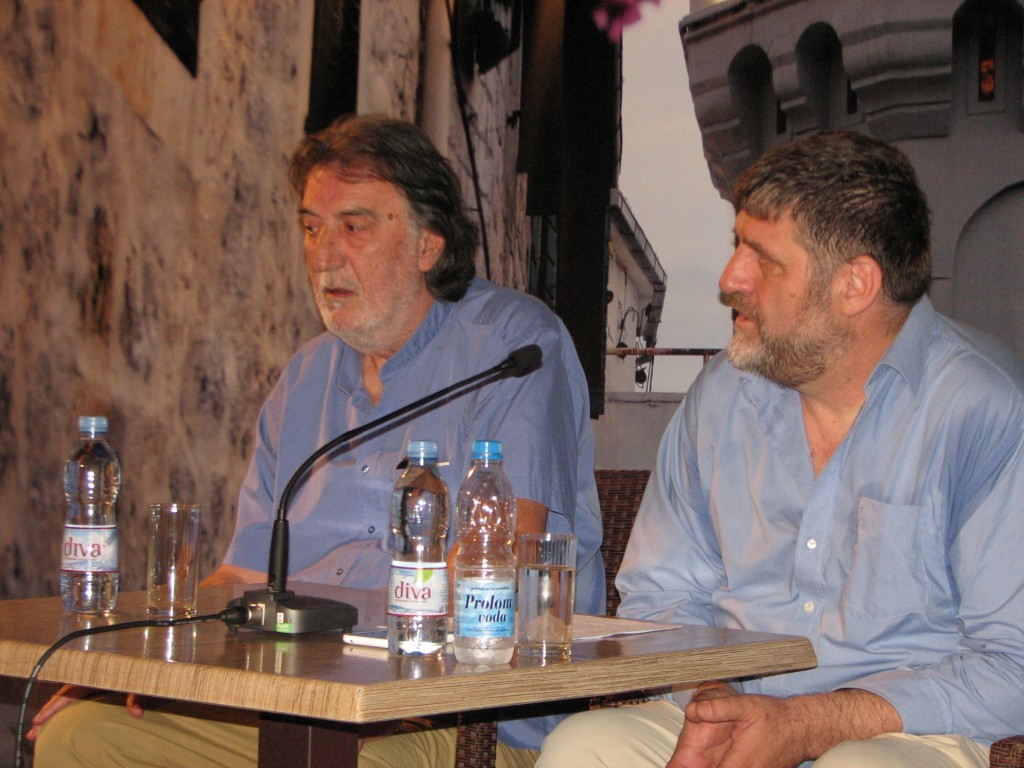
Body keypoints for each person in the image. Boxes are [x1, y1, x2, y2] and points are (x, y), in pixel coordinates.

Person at [29, 114, 604, 768]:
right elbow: (242, 576)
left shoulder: (513, 346)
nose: (324, 255)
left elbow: (498, 558)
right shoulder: (305, 377)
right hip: (295, 703)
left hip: (459, 719)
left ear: (426, 245)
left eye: (353, 227)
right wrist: (141, 660)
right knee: (81, 734)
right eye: (311, 228)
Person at [536, 130, 1024, 768]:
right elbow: (663, 596)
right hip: (736, 704)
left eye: (762, 259)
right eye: (735, 245)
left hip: (906, 727)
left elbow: (1012, 666)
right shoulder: (723, 394)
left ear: (855, 285)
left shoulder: (983, 407)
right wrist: (713, 700)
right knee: (583, 748)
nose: (729, 280)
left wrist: (809, 724)